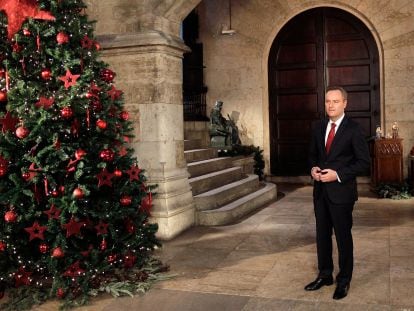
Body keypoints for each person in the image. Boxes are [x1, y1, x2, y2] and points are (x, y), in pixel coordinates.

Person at [305, 86, 370, 300]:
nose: (330, 105)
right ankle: (325, 275)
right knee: (322, 236)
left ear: (345, 103)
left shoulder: (354, 129)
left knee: (343, 238)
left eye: (335, 101)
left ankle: (344, 280)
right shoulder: (318, 126)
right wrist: (313, 168)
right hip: (320, 192)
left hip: (342, 193)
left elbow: (363, 163)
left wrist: (338, 174)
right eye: (327, 101)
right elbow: (313, 155)